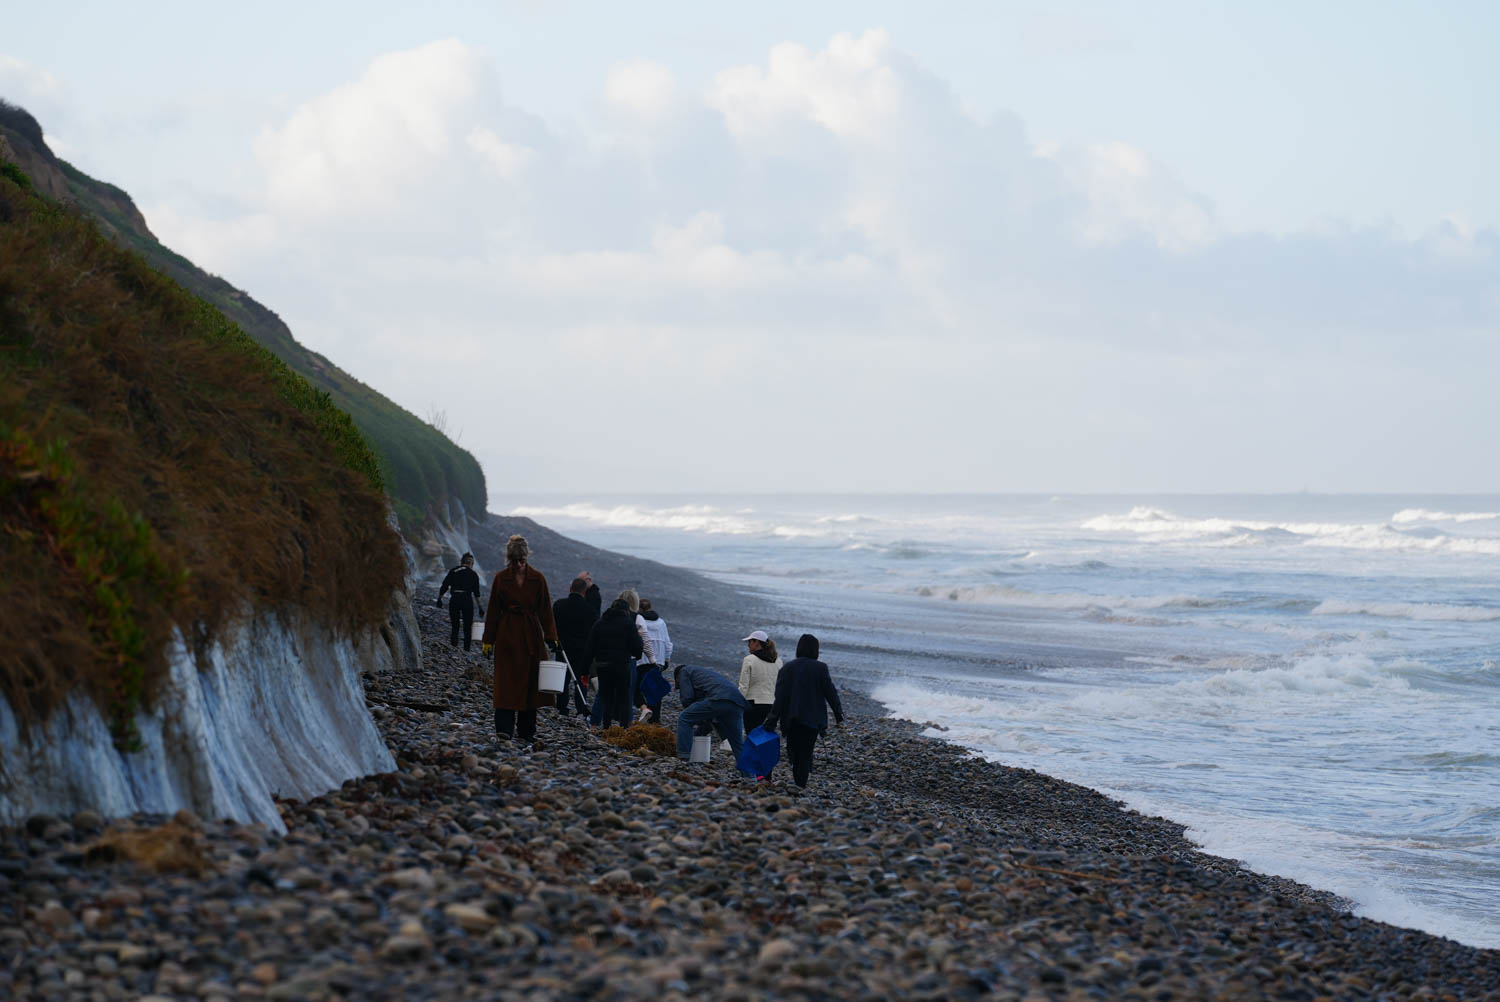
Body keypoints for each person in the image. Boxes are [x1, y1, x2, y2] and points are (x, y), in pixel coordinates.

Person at [479, 535, 560, 748]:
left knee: (531, 684)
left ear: (527, 557)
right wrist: (488, 640)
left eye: (521, 560)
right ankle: (504, 730)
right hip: (507, 635)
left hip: (531, 637)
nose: (518, 565)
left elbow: (545, 610)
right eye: (514, 561)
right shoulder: (500, 578)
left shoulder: (538, 578)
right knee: (506, 683)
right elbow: (493, 611)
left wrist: (551, 636)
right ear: (509, 559)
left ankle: (526, 731)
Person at [765, 633, 844, 789]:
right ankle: (800, 785)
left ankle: (798, 779)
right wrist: (838, 715)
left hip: (791, 718)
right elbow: (830, 693)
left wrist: (772, 720)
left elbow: (780, 697)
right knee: (806, 753)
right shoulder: (821, 668)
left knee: (794, 750)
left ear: (799, 648)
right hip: (812, 719)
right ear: (816, 650)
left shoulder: (787, 668)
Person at [583, 592, 644, 729]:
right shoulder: (628, 624)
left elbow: (589, 648)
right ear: (626, 611)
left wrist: (584, 670)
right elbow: (637, 649)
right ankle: (623, 728)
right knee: (624, 698)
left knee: (606, 695)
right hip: (622, 665)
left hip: (603, 665)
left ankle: (606, 726)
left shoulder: (600, 623)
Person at [673, 664, 747, 762]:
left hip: (719, 698)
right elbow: (706, 715)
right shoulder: (703, 675)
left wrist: (691, 714)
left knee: (684, 718)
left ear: (677, 678)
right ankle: (749, 775)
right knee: (737, 743)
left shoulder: (684, 671)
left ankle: (683, 757)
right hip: (737, 702)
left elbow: (687, 698)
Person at [552, 573, 600, 716]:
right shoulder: (590, 610)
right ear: (584, 592)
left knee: (563, 679)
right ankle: (581, 708)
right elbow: (594, 632)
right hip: (582, 650)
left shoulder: (558, 605)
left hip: (562, 647)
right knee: (581, 679)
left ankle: (562, 707)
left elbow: (552, 626)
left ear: (570, 589)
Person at [635, 598, 673, 723]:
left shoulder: (639, 620)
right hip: (658, 661)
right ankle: (655, 719)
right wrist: (667, 659)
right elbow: (668, 643)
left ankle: (645, 710)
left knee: (638, 688)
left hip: (642, 660)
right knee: (655, 690)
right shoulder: (661, 622)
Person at [737, 629, 781, 735]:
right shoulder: (778, 661)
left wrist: (737, 703)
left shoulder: (749, 659)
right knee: (766, 735)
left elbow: (743, 686)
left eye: (749, 642)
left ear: (756, 643)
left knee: (752, 734)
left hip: (753, 703)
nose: (748, 645)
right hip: (772, 704)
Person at [436, 553, 483, 651]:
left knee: (455, 624)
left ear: (462, 562)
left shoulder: (453, 571)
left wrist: (439, 599)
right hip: (467, 600)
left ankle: (454, 646)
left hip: (455, 599)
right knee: (467, 626)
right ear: (470, 563)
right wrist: (480, 607)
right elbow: (476, 593)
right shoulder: (473, 574)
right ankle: (466, 649)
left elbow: (445, 586)